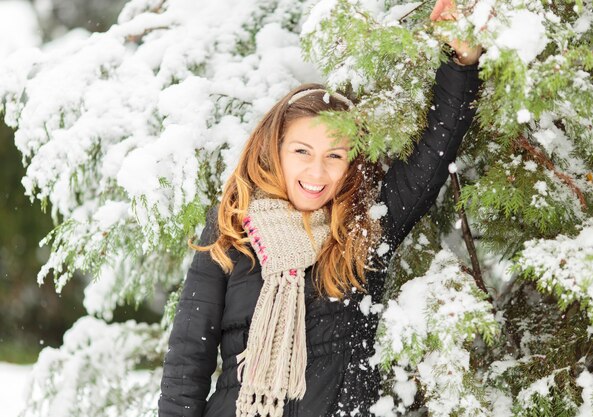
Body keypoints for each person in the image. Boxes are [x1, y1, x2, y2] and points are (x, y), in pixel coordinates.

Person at [158, 1, 482, 416]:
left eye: (334, 155)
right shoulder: (232, 226)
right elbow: (188, 358)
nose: (317, 170)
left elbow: (433, 156)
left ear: (352, 163)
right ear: (274, 149)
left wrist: (460, 61)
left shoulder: (364, 225)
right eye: (302, 151)